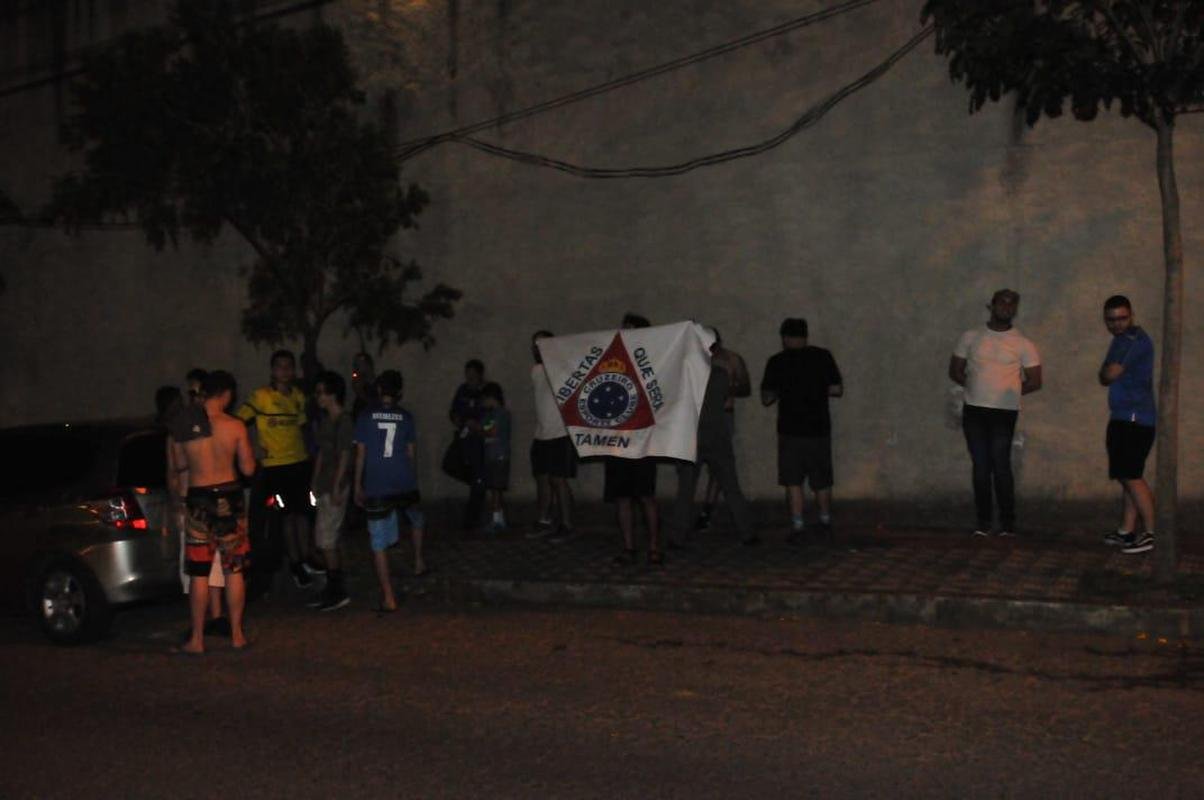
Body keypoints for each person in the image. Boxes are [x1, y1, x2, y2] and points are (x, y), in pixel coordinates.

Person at [173, 370, 256, 653]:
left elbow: (180, 463)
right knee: (234, 569)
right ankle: (236, 635)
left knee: (199, 572)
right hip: (229, 497)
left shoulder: (186, 425)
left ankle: (197, 638)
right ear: (227, 395)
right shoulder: (235, 426)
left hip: (198, 499)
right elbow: (248, 469)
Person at [948, 289, 1042, 537]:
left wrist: (1006, 392)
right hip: (975, 411)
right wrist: (976, 389)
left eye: (1012, 304)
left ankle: (1008, 523)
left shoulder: (1023, 343)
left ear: (1015, 309)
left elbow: (1035, 380)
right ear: (991, 306)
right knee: (980, 466)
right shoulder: (971, 336)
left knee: (1001, 465)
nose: (1007, 307)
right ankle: (983, 522)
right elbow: (955, 370)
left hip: (1004, 412)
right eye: (1002, 302)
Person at [761, 317, 843, 543]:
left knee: (793, 480)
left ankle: (798, 525)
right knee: (822, 479)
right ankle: (825, 520)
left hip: (790, 430)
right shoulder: (822, 356)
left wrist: (784, 390)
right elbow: (837, 389)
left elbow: (766, 397)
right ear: (805, 336)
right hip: (818, 429)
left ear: (785, 338)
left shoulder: (776, 362)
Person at [237, 349, 315, 589]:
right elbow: (238, 421)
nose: (284, 370)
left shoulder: (298, 397)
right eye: (280, 366)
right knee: (287, 517)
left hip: (299, 463)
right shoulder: (261, 396)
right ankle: (295, 564)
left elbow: (303, 428)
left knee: (304, 514)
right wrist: (251, 450)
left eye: (288, 366)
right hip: (275, 467)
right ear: (272, 370)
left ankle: (307, 558)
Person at [672, 329, 757, 547]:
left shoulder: (687, 372)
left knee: (686, 487)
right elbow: (730, 396)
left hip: (692, 434)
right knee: (730, 484)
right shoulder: (720, 373)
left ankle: (679, 535)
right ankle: (746, 532)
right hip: (716, 432)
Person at [354, 370, 426, 613]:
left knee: (378, 542)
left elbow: (361, 454)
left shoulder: (365, 417)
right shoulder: (406, 417)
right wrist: (412, 481)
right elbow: (411, 454)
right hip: (403, 480)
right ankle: (418, 560)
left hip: (377, 484)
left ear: (378, 390)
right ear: (400, 392)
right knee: (416, 518)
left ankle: (389, 596)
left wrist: (357, 484)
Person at [1098, 295, 1157, 554]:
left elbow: (1109, 374)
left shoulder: (1132, 340)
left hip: (1135, 417)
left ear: (1131, 315)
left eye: (1122, 318)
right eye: (1111, 320)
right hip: (1125, 416)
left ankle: (1152, 533)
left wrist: (1105, 371)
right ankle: (1126, 530)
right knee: (1127, 475)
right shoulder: (1122, 340)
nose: (1117, 324)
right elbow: (1108, 374)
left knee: (1131, 476)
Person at [607, 313, 662, 566]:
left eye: (631, 330)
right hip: (618, 441)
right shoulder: (613, 361)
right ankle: (628, 547)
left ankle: (653, 546)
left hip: (642, 442)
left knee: (646, 496)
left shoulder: (652, 363)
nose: (625, 334)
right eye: (624, 329)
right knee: (622, 497)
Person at [693, 327, 751, 531]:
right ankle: (688, 518)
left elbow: (746, 387)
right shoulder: (696, 358)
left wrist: (728, 386)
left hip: (723, 415)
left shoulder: (731, 359)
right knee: (692, 467)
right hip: (698, 419)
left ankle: (708, 510)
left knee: (721, 467)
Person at [309, 370, 355, 610]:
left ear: (332, 394)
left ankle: (337, 589)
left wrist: (337, 485)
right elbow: (322, 454)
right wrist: (315, 483)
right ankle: (333, 585)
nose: (317, 397)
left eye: (321, 392)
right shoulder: (327, 421)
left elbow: (344, 455)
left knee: (326, 538)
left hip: (335, 484)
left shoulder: (343, 420)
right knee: (326, 537)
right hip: (325, 484)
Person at [527, 330, 576, 541]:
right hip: (542, 434)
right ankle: (544, 521)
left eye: (541, 344)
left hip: (560, 434)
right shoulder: (537, 370)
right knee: (542, 480)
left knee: (558, 480)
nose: (536, 348)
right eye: (534, 344)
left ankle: (567, 524)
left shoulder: (562, 368)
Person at [449, 359, 487, 530]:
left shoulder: (486, 391)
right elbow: (454, 411)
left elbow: (493, 416)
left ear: (480, 375)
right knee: (452, 465)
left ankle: (472, 519)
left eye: (473, 374)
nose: (470, 378)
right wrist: (458, 420)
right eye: (467, 374)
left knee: (478, 477)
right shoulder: (462, 390)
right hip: (463, 438)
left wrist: (479, 425)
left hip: (479, 440)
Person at [479, 382, 511, 532]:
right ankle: (499, 519)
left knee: (496, 490)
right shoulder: (490, 414)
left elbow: (492, 432)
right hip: (492, 456)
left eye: (484, 399)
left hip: (498, 457)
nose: (483, 403)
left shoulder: (501, 413)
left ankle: (498, 521)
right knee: (494, 489)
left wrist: (476, 428)